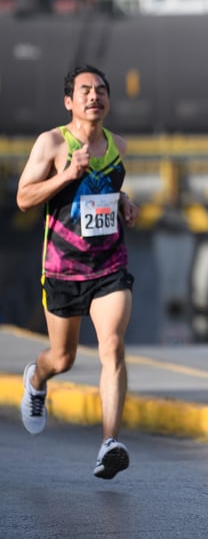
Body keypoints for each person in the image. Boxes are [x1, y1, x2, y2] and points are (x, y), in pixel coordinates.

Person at [16, 64, 139, 479]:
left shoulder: (118, 145)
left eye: (101, 89)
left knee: (112, 347)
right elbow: (23, 197)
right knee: (63, 358)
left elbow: (110, 189)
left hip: (109, 265)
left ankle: (109, 443)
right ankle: (37, 378)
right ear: (69, 101)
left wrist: (123, 202)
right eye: (85, 90)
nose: (94, 96)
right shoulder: (51, 143)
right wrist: (67, 174)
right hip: (63, 269)